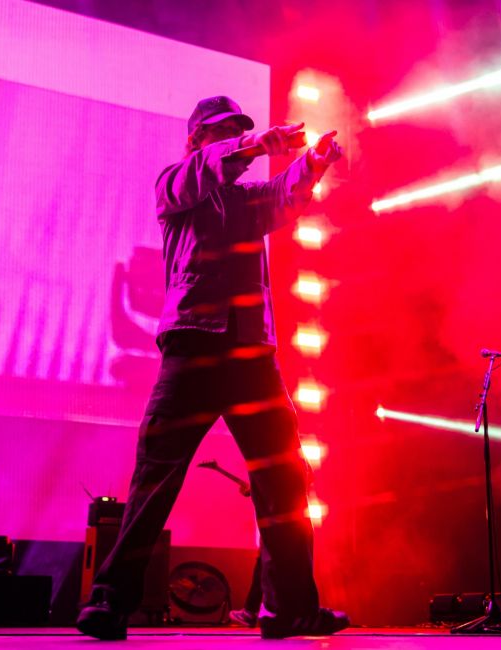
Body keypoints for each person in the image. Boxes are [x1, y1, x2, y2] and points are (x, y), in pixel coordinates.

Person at [77, 96, 347, 640]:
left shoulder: (245, 200)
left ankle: (288, 609)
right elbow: (204, 171)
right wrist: (252, 143)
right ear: (198, 138)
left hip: (251, 356)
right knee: (157, 478)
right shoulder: (175, 186)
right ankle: (109, 602)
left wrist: (313, 162)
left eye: (238, 131)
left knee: (285, 478)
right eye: (223, 132)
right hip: (194, 349)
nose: (235, 140)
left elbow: (282, 197)